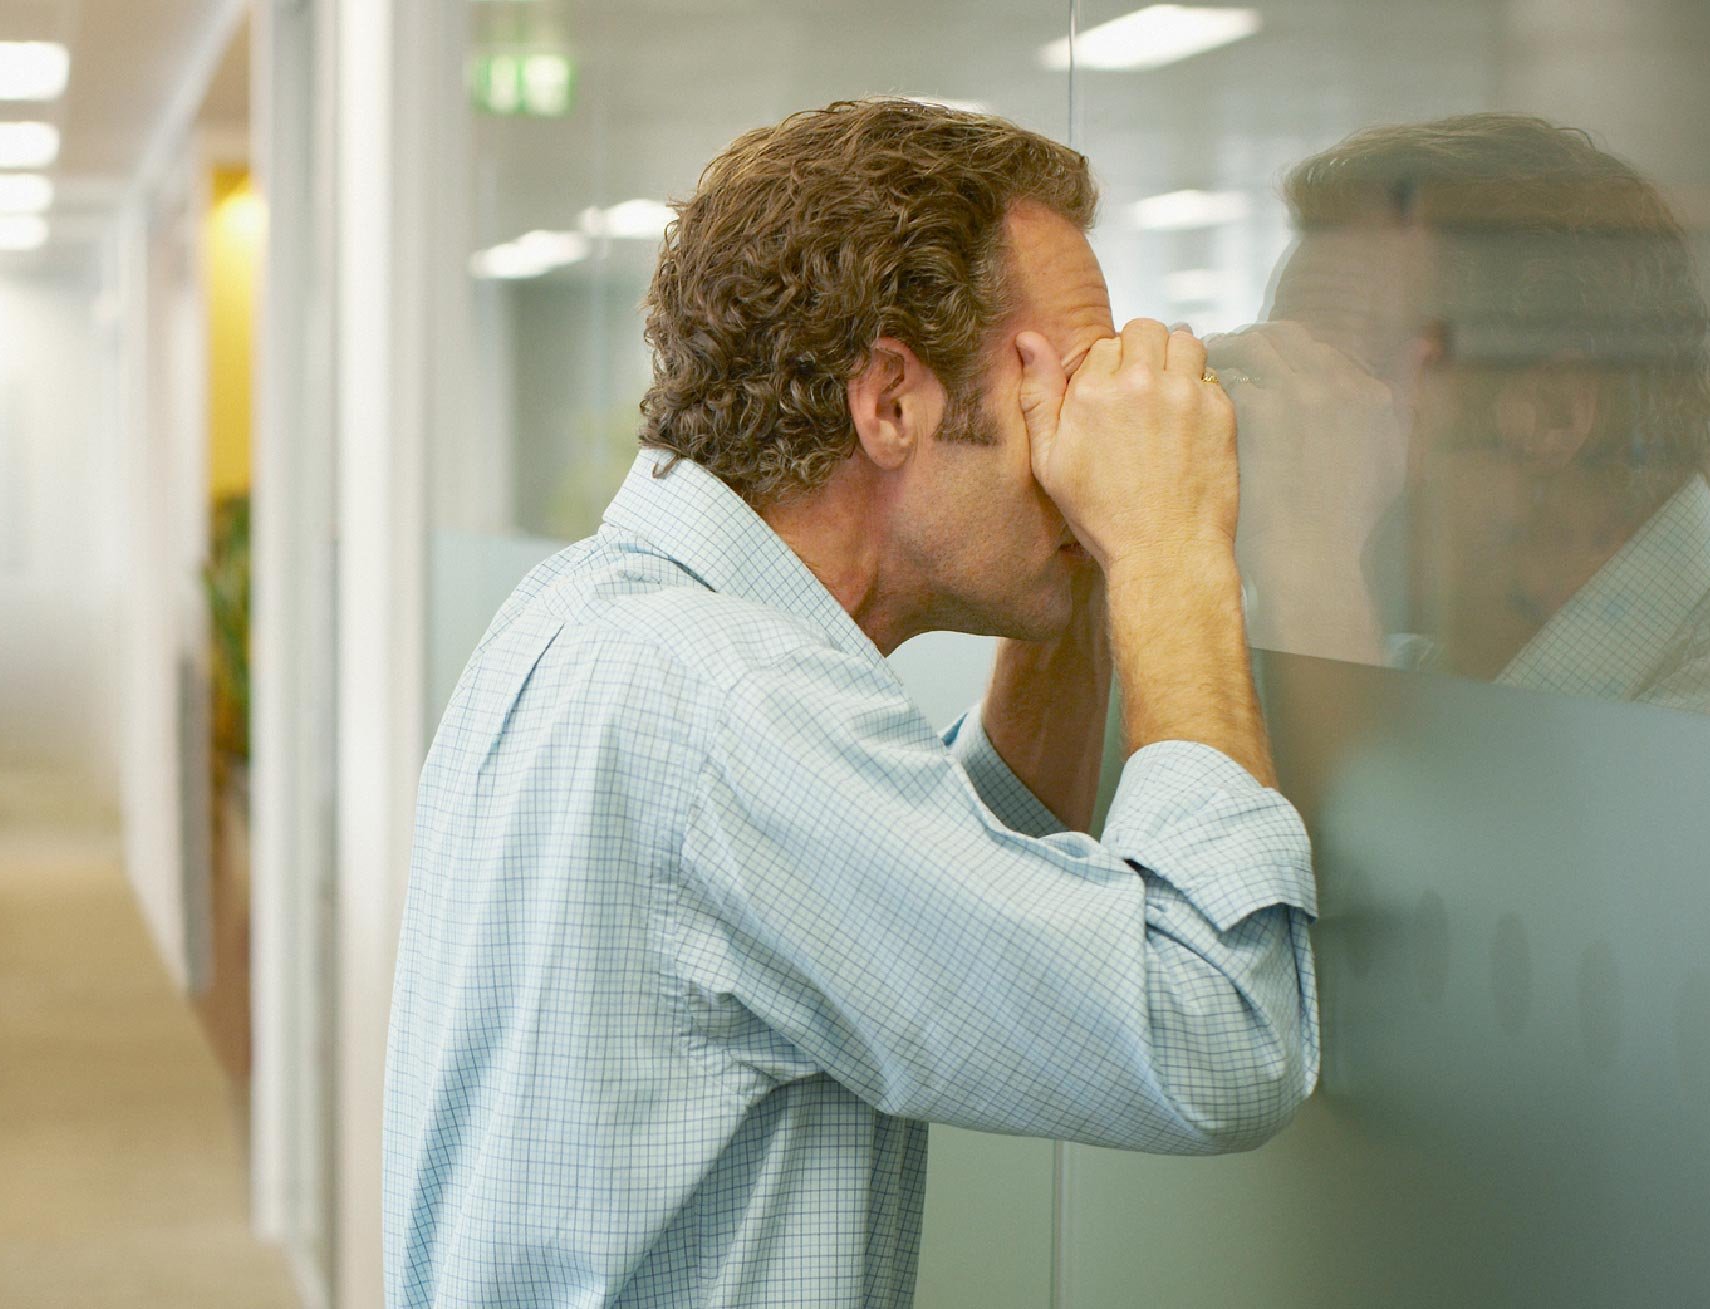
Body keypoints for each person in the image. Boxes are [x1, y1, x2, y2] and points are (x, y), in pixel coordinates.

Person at [382, 99, 1318, 1306]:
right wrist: (1170, 548)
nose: (1080, 441)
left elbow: (942, 889)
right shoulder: (741, 707)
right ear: (890, 402)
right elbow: (1219, 1030)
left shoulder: (592, 615)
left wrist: (1091, 549)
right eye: (1057, 394)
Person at [1217, 112, 1710, 746]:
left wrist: (1308, 554)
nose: (1284, 429)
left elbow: (1404, 894)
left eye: (1333, 383)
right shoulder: (1416, 660)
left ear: (1554, 415)